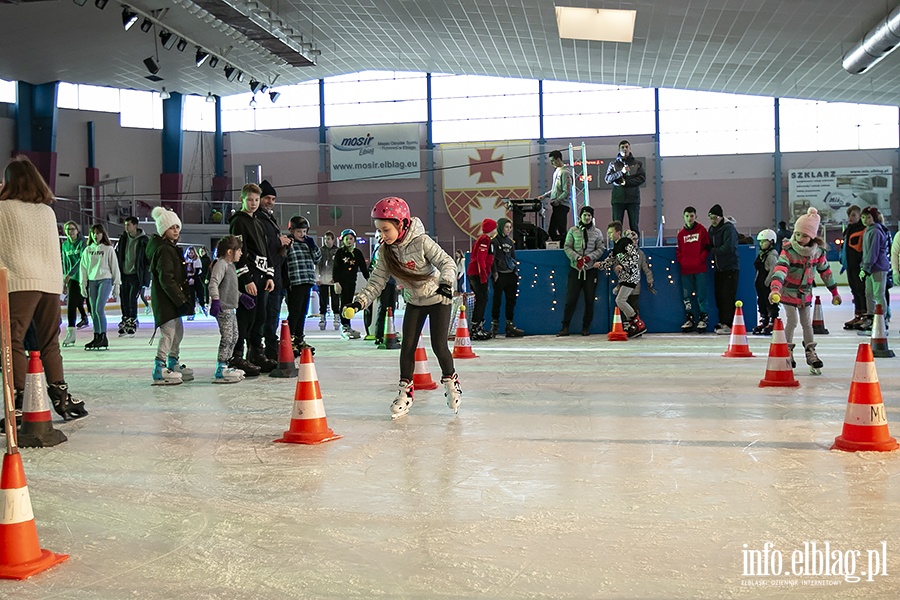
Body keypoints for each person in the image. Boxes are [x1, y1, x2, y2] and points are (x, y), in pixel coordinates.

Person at [341, 197, 460, 419]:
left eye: (386, 230)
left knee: (439, 345)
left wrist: (446, 284)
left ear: (402, 224)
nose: (381, 235)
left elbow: (447, 262)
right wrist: (359, 302)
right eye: (379, 230)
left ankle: (451, 382)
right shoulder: (385, 252)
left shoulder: (422, 242)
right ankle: (405, 392)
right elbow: (376, 282)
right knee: (407, 348)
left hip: (438, 299)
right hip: (414, 301)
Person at [0, 156, 88, 422]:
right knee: (49, 341)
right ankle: (61, 396)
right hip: (50, 284)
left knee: (10, 340)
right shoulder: (47, 212)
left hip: (20, 283)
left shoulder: (3, 208)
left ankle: (17, 401)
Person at [768, 207, 840, 372]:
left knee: (807, 323)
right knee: (792, 320)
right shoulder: (789, 251)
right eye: (798, 234)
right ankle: (787, 351)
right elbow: (780, 270)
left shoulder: (817, 252)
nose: (800, 238)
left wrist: (834, 292)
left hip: (805, 294)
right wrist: (775, 290)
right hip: (787, 292)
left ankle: (811, 352)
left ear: (813, 236)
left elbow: (826, 272)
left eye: (805, 235)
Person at [228, 183, 277, 372]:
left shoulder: (258, 221)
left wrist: (269, 275)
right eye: (249, 199)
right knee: (246, 317)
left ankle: (257, 353)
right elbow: (238, 252)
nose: (254, 203)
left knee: (260, 316)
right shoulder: (238, 221)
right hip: (249, 276)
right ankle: (237, 355)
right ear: (242, 199)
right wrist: (246, 278)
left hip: (262, 276)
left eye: (256, 200)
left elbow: (265, 250)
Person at [147, 207, 195, 385]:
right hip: (166, 299)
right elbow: (166, 278)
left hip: (172, 299)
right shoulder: (165, 250)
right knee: (168, 334)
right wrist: (181, 300)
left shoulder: (171, 248)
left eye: (177, 227)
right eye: (171, 227)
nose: (175, 230)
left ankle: (172, 362)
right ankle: (159, 367)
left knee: (178, 332)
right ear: (163, 230)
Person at [257, 180, 291, 361]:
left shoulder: (270, 219)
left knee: (273, 313)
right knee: (264, 314)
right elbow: (259, 245)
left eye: (273, 199)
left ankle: (271, 350)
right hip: (264, 274)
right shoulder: (257, 219)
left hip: (276, 272)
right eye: (267, 198)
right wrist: (279, 242)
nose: (270, 202)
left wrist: (283, 243)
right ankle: (261, 351)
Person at [557, 205, 605, 336]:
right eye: (585, 215)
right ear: (580, 216)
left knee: (590, 300)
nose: (587, 217)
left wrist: (590, 257)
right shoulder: (573, 230)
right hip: (575, 269)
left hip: (590, 270)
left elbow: (601, 248)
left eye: (589, 215)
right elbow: (567, 247)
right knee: (571, 299)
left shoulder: (597, 232)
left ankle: (586, 327)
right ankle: (565, 326)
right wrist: (577, 257)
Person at [208, 235, 249, 383]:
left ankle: (227, 364)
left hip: (230, 307)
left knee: (235, 336)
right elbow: (213, 283)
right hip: (223, 308)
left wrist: (241, 296)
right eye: (239, 250)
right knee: (227, 338)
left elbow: (229, 288)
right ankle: (221, 367)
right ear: (230, 251)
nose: (241, 253)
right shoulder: (221, 264)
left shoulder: (230, 266)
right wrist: (216, 300)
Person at [596, 221, 646, 337]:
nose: (609, 235)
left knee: (620, 300)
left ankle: (637, 322)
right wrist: (600, 265)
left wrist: (623, 266)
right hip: (625, 277)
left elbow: (634, 256)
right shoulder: (617, 247)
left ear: (618, 233)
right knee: (621, 300)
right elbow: (611, 260)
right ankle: (633, 325)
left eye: (610, 233)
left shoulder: (625, 243)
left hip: (631, 276)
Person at [80, 223, 121, 350]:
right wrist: (83, 283)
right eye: (93, 233)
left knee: (98, 308)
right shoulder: (88, 250)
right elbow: (83, 268)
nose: (95, 235)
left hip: (105, 280)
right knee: (93, 311)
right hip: (92, 281)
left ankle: (103, 336)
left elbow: (114, 266)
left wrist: (116, 284)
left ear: (102, 234)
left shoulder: (108, 249)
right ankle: (97, 336)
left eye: (98, 233)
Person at [284, 216, 321, 353]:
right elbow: (282, 259)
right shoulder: (289, 243)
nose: (302, 234)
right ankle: (290, 339)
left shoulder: (307, 244)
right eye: (299, 231)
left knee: (303, 312)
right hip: (295, 281)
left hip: (307, 281)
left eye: (304, 231)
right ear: (292, 230)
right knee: (295, 312)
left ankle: (299, 338)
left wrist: (313, 247)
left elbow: (317, 259)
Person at [676, 206, 710, 333]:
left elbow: (707, 247)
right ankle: (689, 317)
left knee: (701, 295)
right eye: (687, 216)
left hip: (700, 269)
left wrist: (700, 259)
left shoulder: (702, 231)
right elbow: (678, 251)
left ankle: (703, 317)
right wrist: (682, 261)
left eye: (691, 216)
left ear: (695, 216)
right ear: (683, 217)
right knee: (687, 295)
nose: (689, 218)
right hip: (686, 270)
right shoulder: (681, 234)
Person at [114, 216, 150, 337]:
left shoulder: (144, 240)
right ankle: (125, 320)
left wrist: (145, 278)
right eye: (125, 225)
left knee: (132, 300)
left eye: (128, 225)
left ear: (135, 226)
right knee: (124, 299)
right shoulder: (123, 238)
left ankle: (132, 322)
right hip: (124, 274)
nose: (126, 227)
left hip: (136, 275)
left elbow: (147, 261)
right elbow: (118, 254)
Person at [707, 203, 739, 335]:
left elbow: (729, 247)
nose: (713, 221)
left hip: (730, 268)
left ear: (721, 217)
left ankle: (729, 323)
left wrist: (712, 250)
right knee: (719, 296)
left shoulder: (728, 229)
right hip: (719, 269)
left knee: (727, 297)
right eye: (710, 217)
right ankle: (722, 321)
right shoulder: (711, 229)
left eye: (715, 218)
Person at [490, 217, 524, 337]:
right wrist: (495, 273)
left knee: (511, 301)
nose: (508, 229)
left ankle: (510, 325)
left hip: (510, 275)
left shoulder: (510, 242)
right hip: (499, 275)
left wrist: (515, 272)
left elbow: (513, 257)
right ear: (500, 227)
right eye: (506, 227)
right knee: (497, 300)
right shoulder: (494, 241)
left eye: (510, 227)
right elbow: (492, 259)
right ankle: (495, 324)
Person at [333, 228, 369, 339]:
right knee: (344, 302)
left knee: (349, 302)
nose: (349, 241)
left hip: (351, 282)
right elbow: (336, 268)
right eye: (346, 239)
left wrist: (369, 280)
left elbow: (363, 268)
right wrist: (336, 282)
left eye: (351, 239)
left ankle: (348, 324)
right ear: (343, 240)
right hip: (342, 282)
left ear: (354, 240)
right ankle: (344, 325)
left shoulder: (357, 253)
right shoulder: (340, 253)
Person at [858, 206, 891, 332]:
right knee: (869, 294)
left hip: (878, 268)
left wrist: (865, 268)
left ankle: (882, 319)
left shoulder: (876, 231)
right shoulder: (868, 230)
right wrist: (864, 267)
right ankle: (872, 318)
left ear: (874, 218)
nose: (865, 220)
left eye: (868, 217)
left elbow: (873, 252)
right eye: (863, 217)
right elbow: (866, 253)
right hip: (870, 268)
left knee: (878, 294)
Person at [604, 140, 645, 233]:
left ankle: (635, 247)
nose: (625, 149)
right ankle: (618, 247)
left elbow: (642, 178)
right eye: (622, 147)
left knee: (634, 226)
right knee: (616, 227)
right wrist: (620, 172)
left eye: (627, 147)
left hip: (633, 199)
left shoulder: (637, 164)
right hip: (618, 200)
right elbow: (607, 179)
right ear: (619, 149)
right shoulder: (613, 164)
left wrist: (626, 182)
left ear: (630, 149)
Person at [466, 218, 497, 340]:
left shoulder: (486, 240)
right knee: (481, 300)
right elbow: (481, 258)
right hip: (477, 274)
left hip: (477, 273)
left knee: (482, 299)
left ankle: (478, 326)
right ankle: (475, 327)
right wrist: (483, 276)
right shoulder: (484, 239)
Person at [61, 220, 90, 347]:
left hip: (83, 277)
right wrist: (65, 279)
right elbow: (65, 262)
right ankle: (71, 332)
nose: (70, 232)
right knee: (72, 304)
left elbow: (81, 260)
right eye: (67, 229)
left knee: (78, 302)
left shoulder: (83, 243)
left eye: (72, 229)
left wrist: (70, 274)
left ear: (77, 230)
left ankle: (85, 320)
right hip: (71, 279)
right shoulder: (65, 245)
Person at [538, 150, 573, 243]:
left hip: (562, 206)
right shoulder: (557, 171)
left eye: (553, 161)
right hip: (556, 206)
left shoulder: (565, 172)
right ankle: (560, 244)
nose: (551, 163)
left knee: (561, 230)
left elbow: (567, 191)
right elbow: (555, 190)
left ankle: (563, 246)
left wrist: (558, 200)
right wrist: (544, 196)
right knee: (552, 231)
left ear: (558, 159)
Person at [621, 230, 656, 320]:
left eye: (636, 239)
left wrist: (650, 280)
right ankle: (626, 325)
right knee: (623, 306)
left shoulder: (640, 254)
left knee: (634, 306)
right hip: (623, 286)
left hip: (635, 286)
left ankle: (636, 324)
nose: (634, 242)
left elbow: (646, 268)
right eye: (632, 240)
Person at [841, 205, 866, 329]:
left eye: (853, 215)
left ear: (860, 216)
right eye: (849, 215)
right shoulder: (849, 230)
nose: (850, 218)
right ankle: (858, 315)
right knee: (854, 290)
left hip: (858, 266)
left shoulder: (862, 230)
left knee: (861, 291)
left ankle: (865, 315)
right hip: (850, 266)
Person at [751, 229, 779, 335]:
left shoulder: (772, 255)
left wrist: (768, 282)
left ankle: (772, 320)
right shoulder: (762, 254)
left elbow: (773, 269)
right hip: (760, 283)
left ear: (771, 242)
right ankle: (764, 319)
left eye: (764, 241)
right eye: (760, 242)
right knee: (761, 302)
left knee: (770, 302)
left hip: (767, 284)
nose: (761, 244)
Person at [316, 230, 340, 331]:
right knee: (323, 299)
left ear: (333, 240)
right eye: (325, 239)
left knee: (335, 299)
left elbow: (339, 266)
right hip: (323, 279)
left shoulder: (337, 251)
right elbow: (317, 265)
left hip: (333, 280)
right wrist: (317, 278)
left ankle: (336, 316)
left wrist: (338, 278)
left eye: (328, 239)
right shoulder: (321, 251)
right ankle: (322, 317)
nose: (327, 241)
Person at [184, 246, 202, 320]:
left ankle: (202, 306)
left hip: (195, 278)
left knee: (199, 293)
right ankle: (190, 311)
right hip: (187, 279)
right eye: (189, 253)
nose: (190, 254)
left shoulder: (197, 260)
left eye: (191, 253)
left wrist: (193, 278)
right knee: (189, 296)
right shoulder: (186, 260)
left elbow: (197, 271)